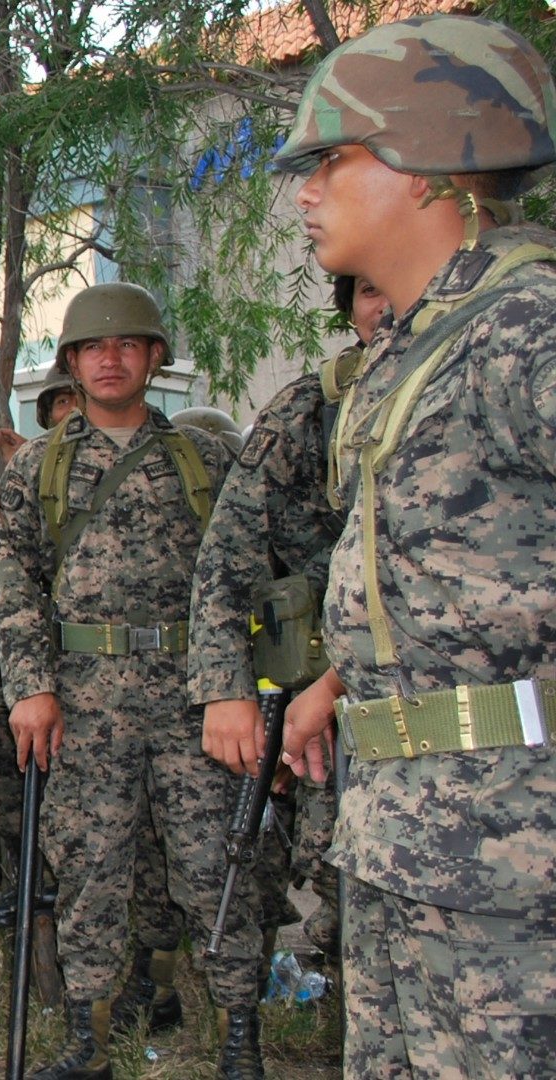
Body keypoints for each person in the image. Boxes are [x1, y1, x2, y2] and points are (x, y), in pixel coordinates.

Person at [269, 16, 556, 1077]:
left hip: (508, 859)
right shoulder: (421, 345)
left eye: (332, 160)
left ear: (430, 165)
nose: (306, 193)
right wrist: (341, 680)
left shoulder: (522, 330)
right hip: (406, 837)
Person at [0, 282, 260, 1079]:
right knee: (91, 867)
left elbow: (242, 574)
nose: (110, 360)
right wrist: (31, 688)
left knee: (214, 864)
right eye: (93, 348)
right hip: (85, 696)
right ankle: (89, 1037)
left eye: (126, 345)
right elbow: (14, 589)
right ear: (72, 363)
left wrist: (235, 688)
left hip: (193, 695)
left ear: (153, 358)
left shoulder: (207, 459)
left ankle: (240, 1035)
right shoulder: (38, 468)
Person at [189, 273, 389, 979]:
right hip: (323, 693)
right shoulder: (311, 409)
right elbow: (228, 552)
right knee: (339, 866)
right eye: (367, 293)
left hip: (442, 689)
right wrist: (225, 688)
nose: (386, 307)